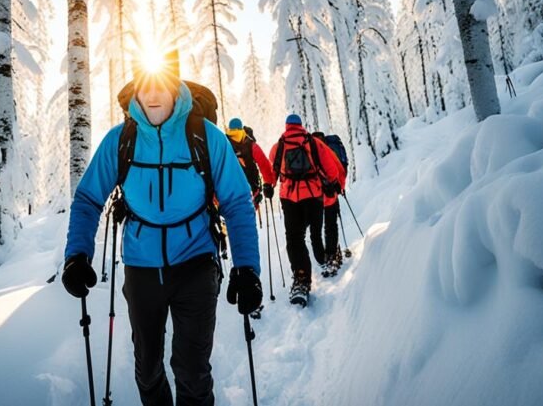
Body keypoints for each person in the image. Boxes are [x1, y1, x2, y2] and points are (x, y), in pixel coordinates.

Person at [61, 57, 262, 406]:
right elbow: (89, 198)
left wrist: (247, 269)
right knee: (148, 369)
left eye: (161, 85)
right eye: (146, 85)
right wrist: (77, 255)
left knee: (192, 369)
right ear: (136, 89)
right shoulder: (121, 140)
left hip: (197, 262)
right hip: (141, 267)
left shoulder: (205, 136)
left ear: (174, 88)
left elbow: (237, 201)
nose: (153, 93)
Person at [267, 114, 344, 307]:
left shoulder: (279, 146)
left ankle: (301, 279)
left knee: (294, 239)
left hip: (290, 199)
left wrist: (269, 186)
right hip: (313, 196)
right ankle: (324, 260)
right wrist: (335, 184)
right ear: (301, 126)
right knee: (315, 233)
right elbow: (330, 167)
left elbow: (271, 172)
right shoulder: (313, 142)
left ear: (287, 126)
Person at [311, 132, 348, 278]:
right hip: (331, 195)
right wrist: (340, 187)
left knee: (318, 228)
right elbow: (339, 169)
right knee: (330, 225)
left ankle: (325, 257)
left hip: (315, 198)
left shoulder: (309, 150)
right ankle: (332, 254)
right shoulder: (328, 150)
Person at [224, 118, 276, 210]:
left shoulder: (224, 143)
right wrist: (268, 183)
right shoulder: (250, 144)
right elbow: (263, 163)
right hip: (251, 189)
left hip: (230, 191)